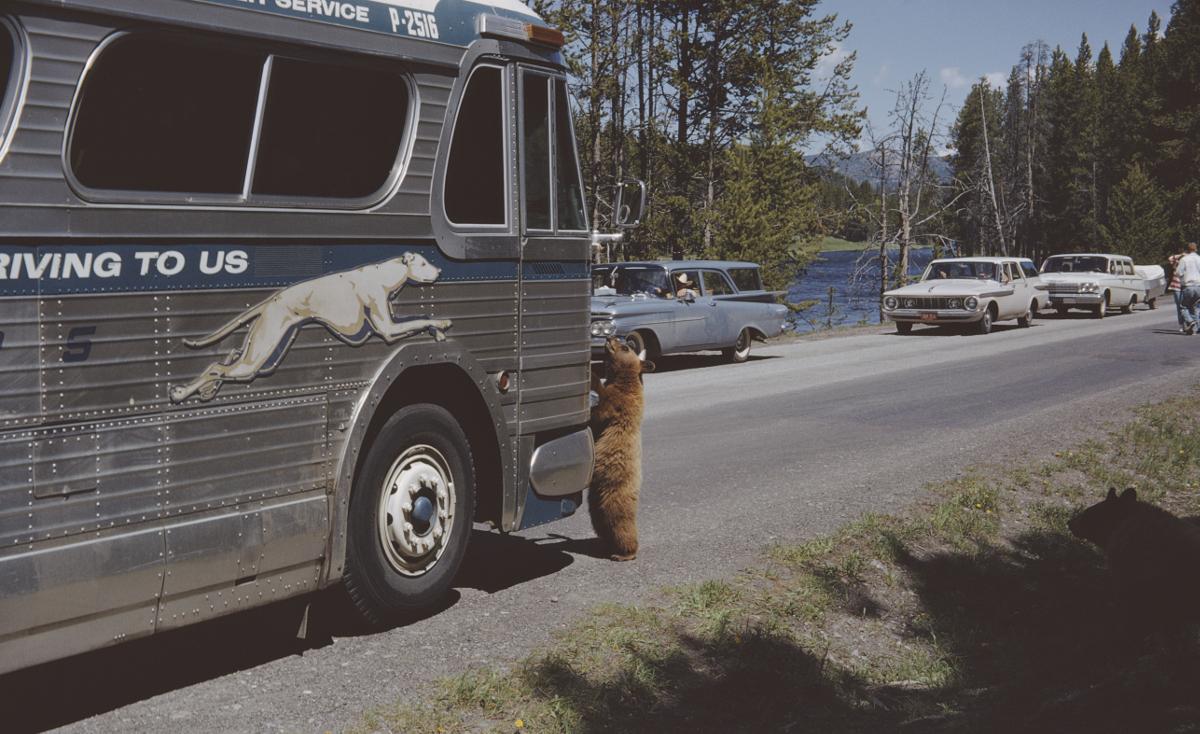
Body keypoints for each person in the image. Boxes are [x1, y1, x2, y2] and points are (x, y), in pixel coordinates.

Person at [1176, 242, 1200, 335]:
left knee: (1183, 306)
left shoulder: (1184, 259)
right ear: (1196, 249)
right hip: (1198, 286)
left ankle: (1190, 321)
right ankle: (1193, 329)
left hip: (1188, 286)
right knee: (1193, 307)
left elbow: (1178, 272)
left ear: (1187, 250)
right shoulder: (1199, 259)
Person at [1167, 248, 1186, 332]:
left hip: (1185, 286)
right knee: (1179, 307)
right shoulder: (1176, 262)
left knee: (1186, 306)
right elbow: (1170, 258)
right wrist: (1181, 255)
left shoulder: (1187, 262)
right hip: (1176, 286)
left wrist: (1185, 256)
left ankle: (1188, 322)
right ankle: (1182, 325)